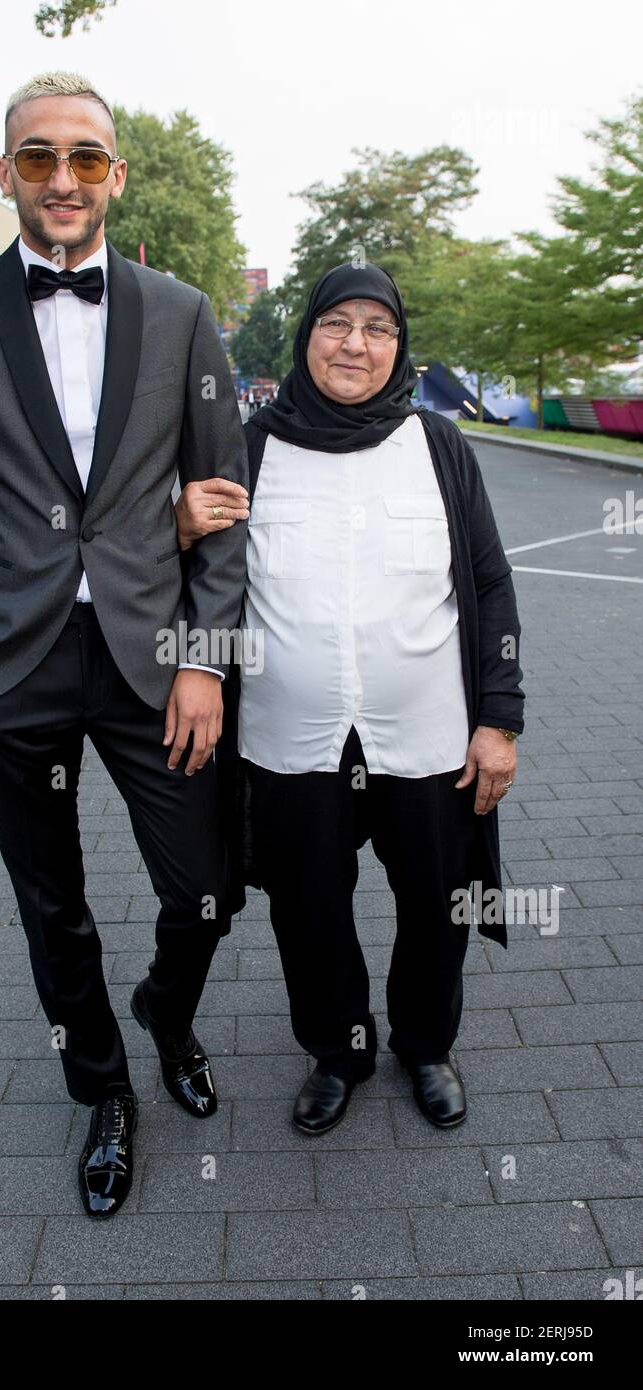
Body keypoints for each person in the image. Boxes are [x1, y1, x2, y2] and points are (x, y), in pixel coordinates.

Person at [0, 70, 248, 1218]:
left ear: (114, 176)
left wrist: (203, 654)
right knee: (53, 903)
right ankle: (101, 1090)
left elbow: (220, 497)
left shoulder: (183, 311)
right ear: (5, 173)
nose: (60, 177)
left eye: (84, 157)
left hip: (156, 656)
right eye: (37, 156)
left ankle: (166, 1012)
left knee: (203, 889)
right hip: (12, 661)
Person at [175, 261, 524, 1137]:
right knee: (310, 908)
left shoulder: (439, 447)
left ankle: (425, 1045)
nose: (355, 345)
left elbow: (487, 582)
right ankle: (337, 1050)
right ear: (306, 336)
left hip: (429, 731)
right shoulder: (251, 446)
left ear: (398, 346)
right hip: (294, 738)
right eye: (337, 323)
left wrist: (499, 719)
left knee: (437, 901)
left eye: (378, 328)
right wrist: (176, 539)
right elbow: (203, 577)